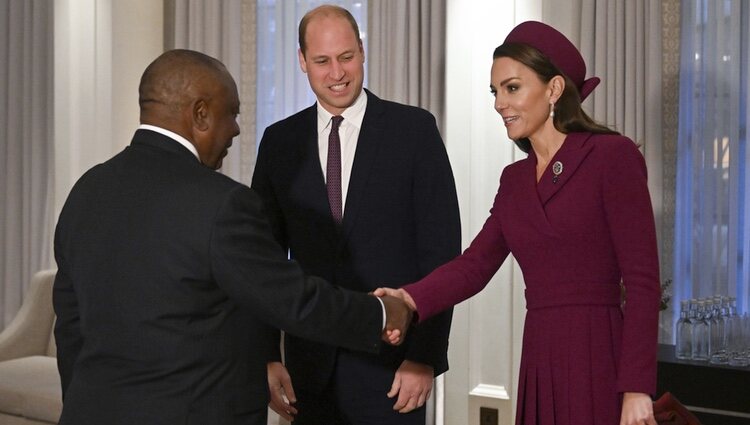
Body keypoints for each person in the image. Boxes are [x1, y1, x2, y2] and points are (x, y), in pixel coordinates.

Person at [52, 49, 413, 425]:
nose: (237, 130)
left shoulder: (86, 191)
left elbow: (71, 328)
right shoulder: (221, 204)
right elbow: (293, 301)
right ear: (201, 113)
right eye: (232, 114)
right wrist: (383, 313)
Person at [377, 21, 660, 425]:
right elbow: (474, 266)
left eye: (512, 88)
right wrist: (409, 298)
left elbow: (643, 281)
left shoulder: (612, 157)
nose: (498, 103)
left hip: (600, 354)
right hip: (540, 353)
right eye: (495, 92)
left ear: (554, 89)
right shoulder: (514, 181)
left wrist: (636, 388)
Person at [251, 5, 460, 424]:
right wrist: (267, 355)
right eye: (322, 61)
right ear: (302, 61)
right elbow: (262, 259)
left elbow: (442, 254)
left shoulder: (414, 131)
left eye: (346, 57)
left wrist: (424, 357)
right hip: (307, 372)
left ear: (362, 52)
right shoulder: (278, 142)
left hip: (392, 370)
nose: (337, 73)